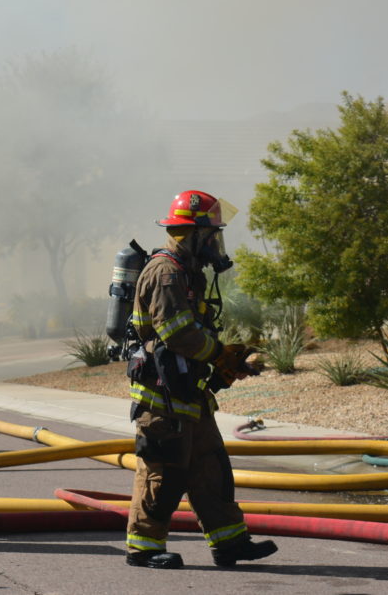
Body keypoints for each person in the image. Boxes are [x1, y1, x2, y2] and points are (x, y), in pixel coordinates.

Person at [124, 190, 277, 569]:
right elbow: (177, 334)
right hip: (162, 398)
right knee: (162, 473)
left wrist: (224, 358)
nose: (216, 244)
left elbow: (192, 334)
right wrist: (219, 354)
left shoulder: (187, 272)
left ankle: (229, 543)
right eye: (212, 235)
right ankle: (143, 547)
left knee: (210, 467)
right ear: (192, 234)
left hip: (187, 392)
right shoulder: (166, 273)